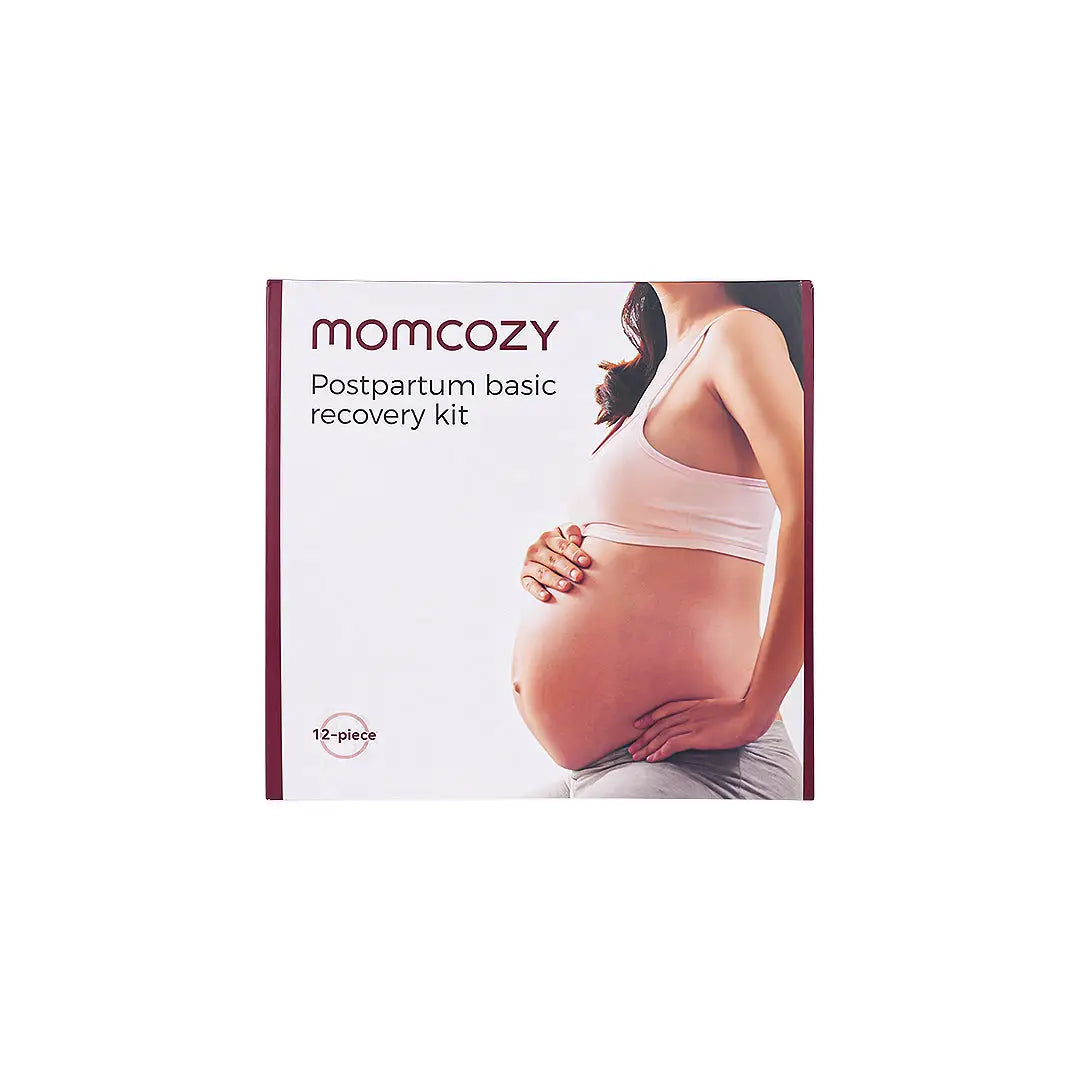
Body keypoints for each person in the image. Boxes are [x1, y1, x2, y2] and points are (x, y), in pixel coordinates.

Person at [511, 282, 804, 798]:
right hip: (611, 769)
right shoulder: (668, 366)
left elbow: (816, 505)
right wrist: (552, 555)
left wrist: (754, 711)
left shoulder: (738, 333)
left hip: (705, 766)